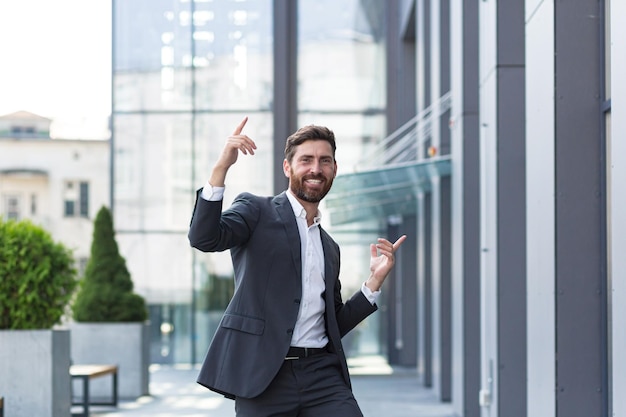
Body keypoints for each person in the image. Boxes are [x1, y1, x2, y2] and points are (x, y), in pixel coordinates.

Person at [188, 117, 407, 416]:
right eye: (306, 160)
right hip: (264, 376)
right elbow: (204, 237)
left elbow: (333, 324)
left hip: (322, 376)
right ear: (288, 167)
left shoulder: (330, 248)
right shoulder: (256, 211)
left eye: (324, 161)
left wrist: (373, 284)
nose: (316, 168)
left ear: (334, 170)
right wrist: (220, 168)